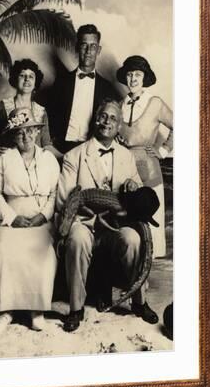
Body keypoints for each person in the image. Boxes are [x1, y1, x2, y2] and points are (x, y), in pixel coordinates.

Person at [56, 99, 159, 332]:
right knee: (78, 239)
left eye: (113, 118)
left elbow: (138, 197)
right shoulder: (75, 156)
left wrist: (133, 186)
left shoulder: (127, 156)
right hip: (84, 221)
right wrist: (89, 210)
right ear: (95, 119)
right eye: (103, 116)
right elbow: (64, 200)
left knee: (133, 239)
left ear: (119, 125)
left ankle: (139, 302)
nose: (107, 121)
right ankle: (76, 308)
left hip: (116, 223)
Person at [0, 108, 60, 335]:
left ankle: (36, 310)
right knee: (5, 250)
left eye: (29, 131)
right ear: (13, 136)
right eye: (19, 133)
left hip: (40, 221)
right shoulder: (3, 159)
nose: (25, 137)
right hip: (11, 220)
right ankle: (5, 311)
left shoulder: (49, 160)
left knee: (44, 254)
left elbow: (54, 194)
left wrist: (43, 216)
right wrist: (12, 218)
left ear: (37, 132)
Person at [117, 55, 173, 258]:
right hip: (124, 169)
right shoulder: (119, 104)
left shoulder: (155, 103)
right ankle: (133, 263)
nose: (133, 79)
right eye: (129, 74)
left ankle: (149, 262)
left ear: (145, 78)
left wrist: (163, 151)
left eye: (137, 74)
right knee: (128, 220)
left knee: (151, 221)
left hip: (148, 169)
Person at [47, 24, 120, 157]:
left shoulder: (107, 88)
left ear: (98, 50)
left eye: (93, 46)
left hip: (93, 150)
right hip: (62, 148)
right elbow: (49, 114)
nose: (88, 51)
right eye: (84, 45)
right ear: (77, 47)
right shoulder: (61, 82)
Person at [0, 58, 59, 157]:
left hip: (34, 164)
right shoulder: (2, 106)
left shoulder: (42, 111)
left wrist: (66, 156)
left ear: (35, 83)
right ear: (15, 79)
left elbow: (46, 145)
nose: (27, 79)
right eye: (22, 75)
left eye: (31, 76)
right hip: (9, 162)